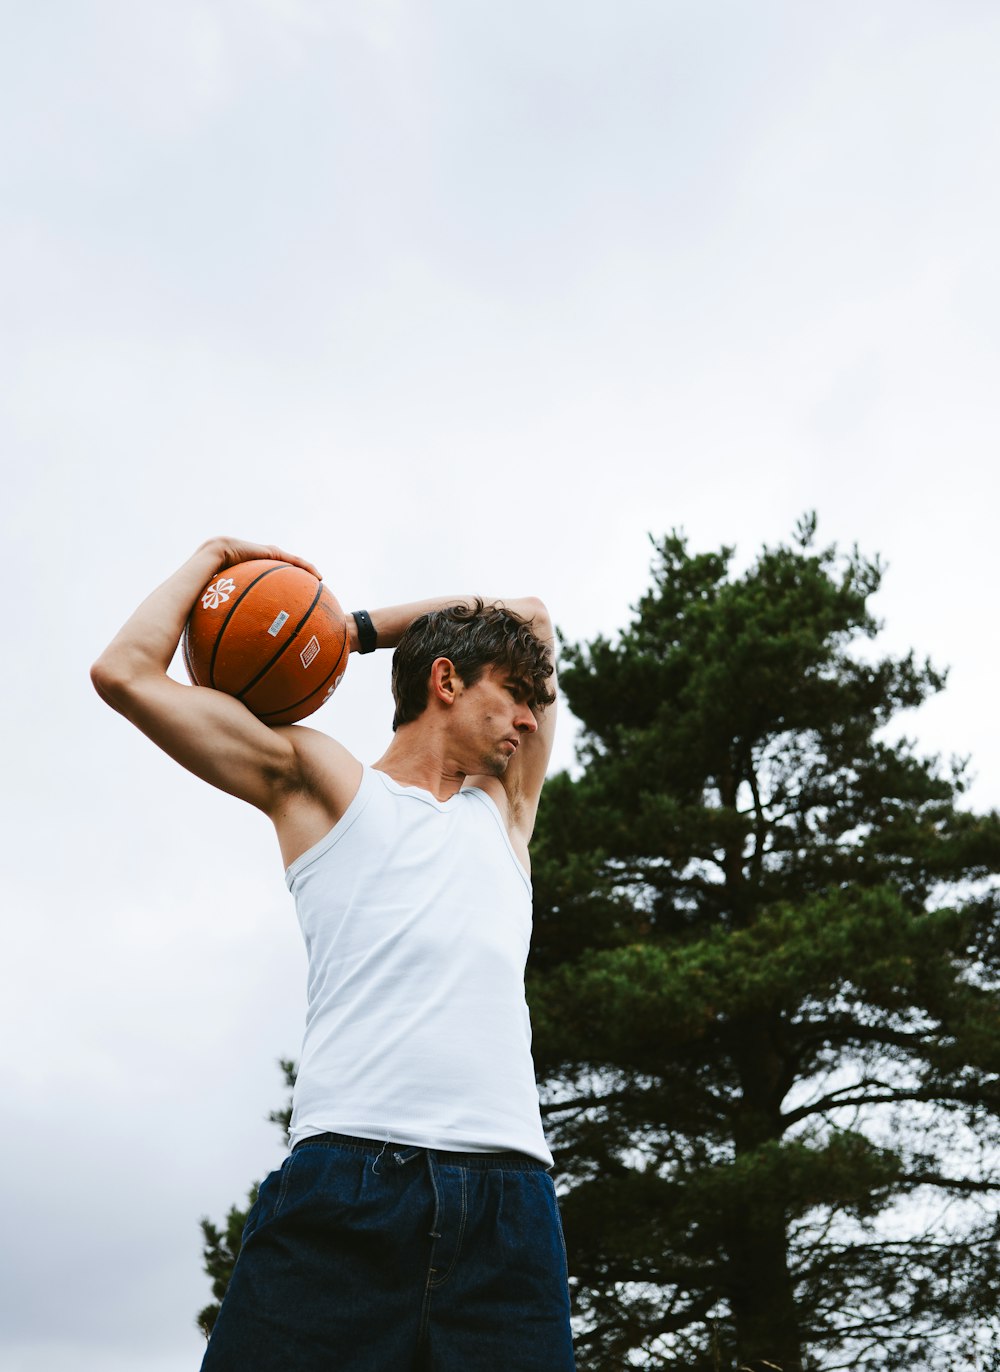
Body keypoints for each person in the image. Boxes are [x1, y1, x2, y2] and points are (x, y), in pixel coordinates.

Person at [90, 536, 575, 1372]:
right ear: (447, 681)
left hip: (510, 1209)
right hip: (348, 1185)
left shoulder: (505, 806)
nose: (534, 718)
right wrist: (212, 557)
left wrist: (347, 630)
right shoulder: (321, 783)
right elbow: (125, 674)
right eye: (516, 694)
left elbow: (531, 615)